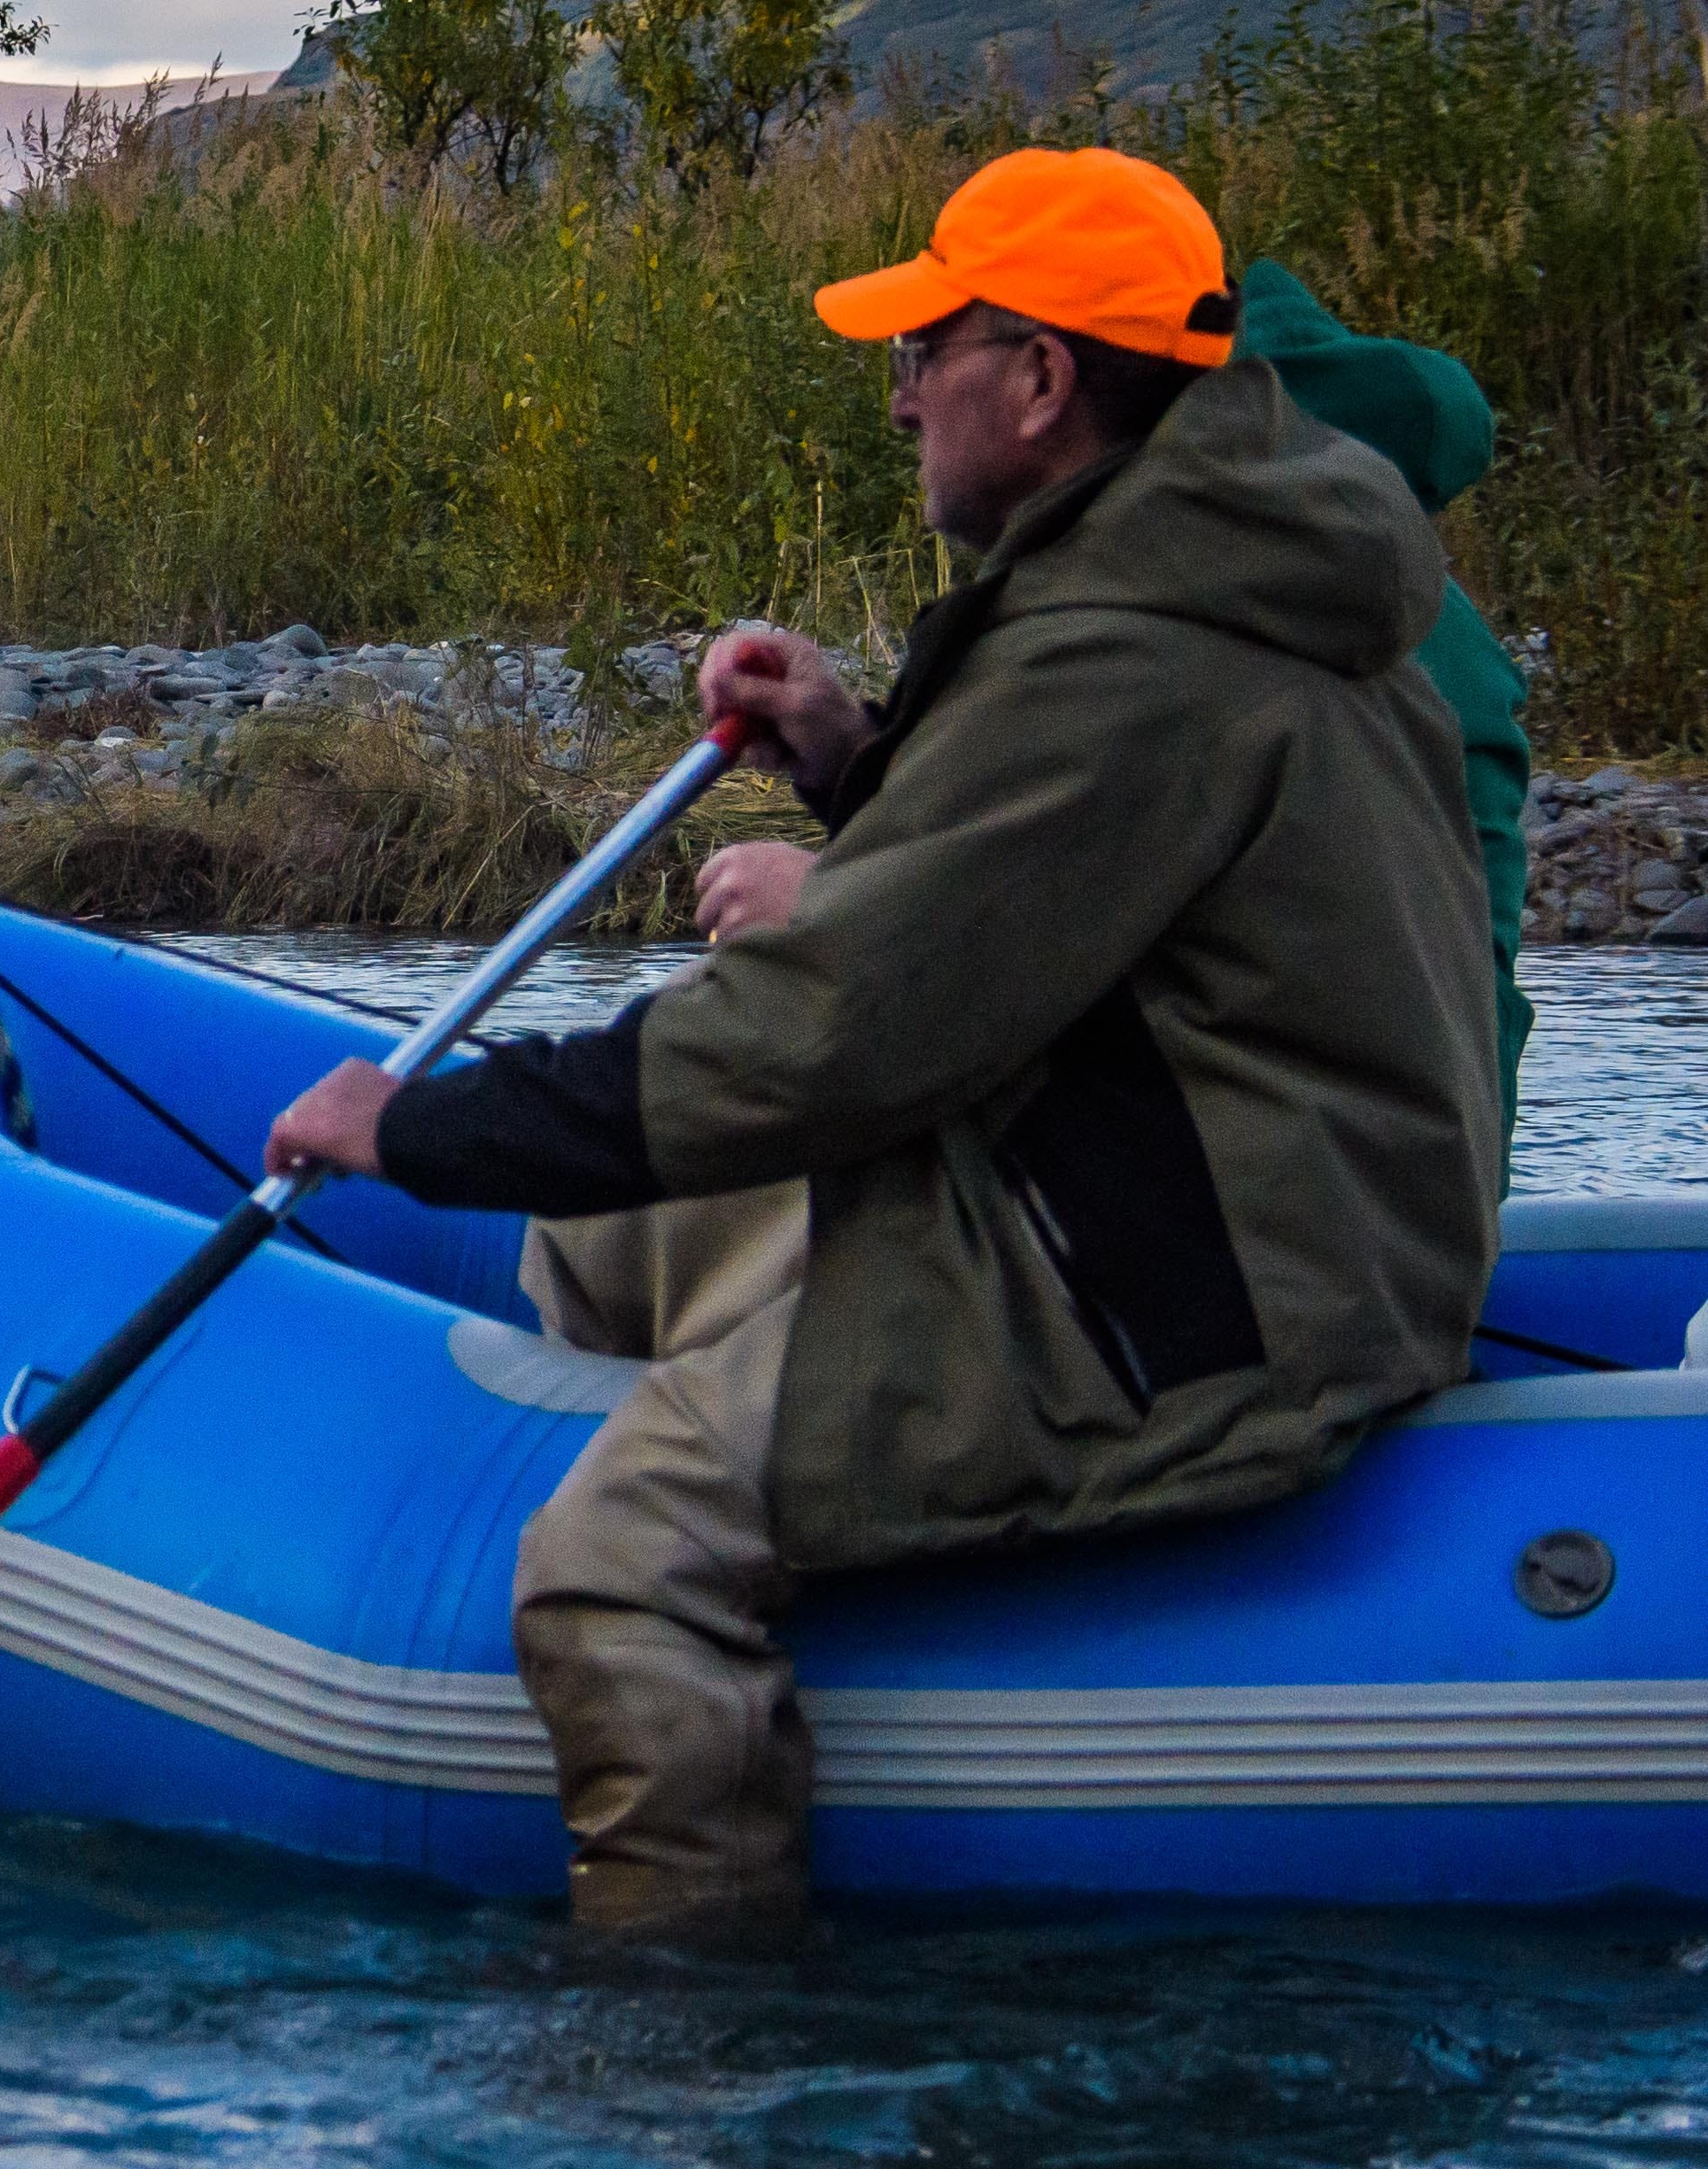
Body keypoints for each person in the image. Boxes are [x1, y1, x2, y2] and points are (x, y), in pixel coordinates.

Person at [263, 148, 1505, 1943]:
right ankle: (783, 1487)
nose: (903, 388)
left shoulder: (1132, 648)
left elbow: (828, 1032)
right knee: (602, 1239)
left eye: (927, 345)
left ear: (1041, 380)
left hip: (1205, 1288)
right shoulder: (1200, 568)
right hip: (1165, 1185)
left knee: (612, 1564)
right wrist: (853, 755)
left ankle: (689, 2047)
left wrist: (426, 1126)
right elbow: (1070, 886)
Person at [696, 259, 1541, 1157]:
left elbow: (1107, 941)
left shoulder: (1222, 621)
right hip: (1393, 1174)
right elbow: (1098, 892)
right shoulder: (1377, 608)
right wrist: (848, 749)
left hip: (1285, 1197)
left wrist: (835, 916)